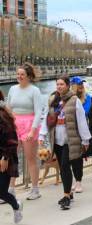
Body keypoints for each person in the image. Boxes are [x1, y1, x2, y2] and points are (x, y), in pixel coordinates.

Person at [39, 76, 91, 210]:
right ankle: (69, 191)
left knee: (64, 165)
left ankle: (66, 195)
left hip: (70, 139)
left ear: (67, 85)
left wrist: (85, 139)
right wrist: (42, 134)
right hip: (57, 139)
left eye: (62, 84)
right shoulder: (53, 100)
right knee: (63, 168)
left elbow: (81, 120)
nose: (59, 86)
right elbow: (47, 117)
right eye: (57, 84)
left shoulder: (74, 100)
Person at [7, 63, 42, 200]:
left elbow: (39, 111)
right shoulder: (12, 89)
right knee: (12, 158)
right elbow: (8, 108)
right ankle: (10, 189)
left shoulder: (34, 91)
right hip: (14, 125)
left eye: (22, 74)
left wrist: (33, 131)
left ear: (28, 76)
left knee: (30, 159)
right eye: (18, 74)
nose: (19, 76)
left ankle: (35, 189)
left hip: (29, 126)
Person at [0, 91, 23, 224]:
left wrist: (5, 158)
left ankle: (16, 206)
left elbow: (12, 140)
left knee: (1, 192)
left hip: (4, 158)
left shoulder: (2, 115)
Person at [70, 76, 91, 193]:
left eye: (81, 85)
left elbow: (86, 112)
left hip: (81, 129)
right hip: (69, 129)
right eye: (78, 85)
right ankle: (73, 179)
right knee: (70, 158)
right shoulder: (66, 98)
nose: (80, 87)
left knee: (78, 157)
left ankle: (78, 180)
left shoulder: (87, 98)